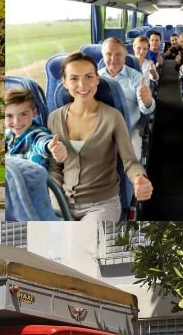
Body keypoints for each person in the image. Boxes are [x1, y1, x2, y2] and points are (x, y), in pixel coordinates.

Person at [47, 52, 153, 222]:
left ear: (97, 79)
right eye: (74, 78)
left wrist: (140, 178)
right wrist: (56, 201)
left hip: (102, 204)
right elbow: (54, 168)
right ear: (64, 83)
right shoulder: (54, 118)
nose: (82, 84)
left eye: (89, 77)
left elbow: (130, 161)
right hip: (62, 202)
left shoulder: (113, 117)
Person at [99, 38, 155, 160]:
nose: (113, 59)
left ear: (125, 56)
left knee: (131, 166)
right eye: (109, 54)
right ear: (103, 56)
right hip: (101, 132)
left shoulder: (136, 77)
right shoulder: (95, 78)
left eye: (118, 54)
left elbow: (146, 109)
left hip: (129, 130)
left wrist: (147, 102)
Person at [4, 87, 67, 168]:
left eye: (23, 114)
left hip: (32, 178)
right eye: (9, 115)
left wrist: (50, 146)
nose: (16, 121)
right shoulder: (8, 134)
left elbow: (41, 141)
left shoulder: (35, 134)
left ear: (33, 113)